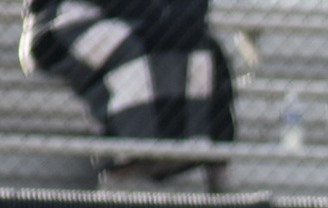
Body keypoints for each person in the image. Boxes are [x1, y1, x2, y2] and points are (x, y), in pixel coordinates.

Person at [20, 0, 237, 189]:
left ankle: (205, 164)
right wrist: (157, 14)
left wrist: (174, 18)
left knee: (204, 47)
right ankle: (126, 167)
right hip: (67, 15)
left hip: (145, 17)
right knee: (135, 50)